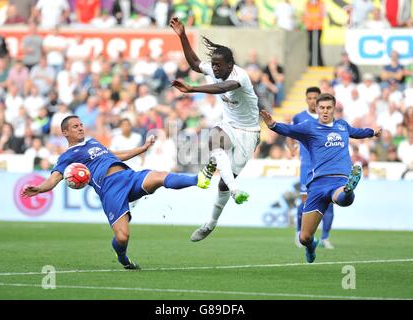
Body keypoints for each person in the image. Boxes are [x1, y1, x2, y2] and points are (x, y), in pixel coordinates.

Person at [21, 115, 217, 270]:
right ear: (65, 132)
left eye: (81, 124)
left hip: (129, 177)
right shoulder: (67, 157)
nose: (80, 128)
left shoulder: (93, 142)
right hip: (110, 189)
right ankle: (123, 258)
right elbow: (54, 178)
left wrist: (142, 149)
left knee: (159, 176)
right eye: (75, 126)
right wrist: (39, 189)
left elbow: (114, 155)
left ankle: (198, 180)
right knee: (122, 237)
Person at [260, 93, 381, 263]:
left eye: (329, 108)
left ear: (334, 109)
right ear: (317, 109)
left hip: (339, 180)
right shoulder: (309, 127)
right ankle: (312, 246)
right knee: (304, 238)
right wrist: (272, 125)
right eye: (322, 108)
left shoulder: (342, 126)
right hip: (317, 185)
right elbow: (289, 130)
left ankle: (349, 188)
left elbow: (357, 132)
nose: (325, 111)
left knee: (344, 199)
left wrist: (372, 132)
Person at [169, 17, 260, 241]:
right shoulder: (216, 69)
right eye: (214, 65)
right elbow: (194, 63)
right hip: (229, 126)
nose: (215, 68)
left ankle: (211, 223)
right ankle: (236, 189)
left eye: (219, 65)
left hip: (249, 133)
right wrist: (182, 35)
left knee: (222, 184)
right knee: (214, 136)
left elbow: (223, 87)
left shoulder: (240, 77)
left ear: (230, 65)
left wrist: (192, 88)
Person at [286, 87, 335, 249]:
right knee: (306, 202)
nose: (313, 101)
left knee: (329, 202)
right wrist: (292, 149)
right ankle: (300, 233)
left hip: (326, 167)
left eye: (316, 98)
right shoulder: (300, 117)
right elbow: (290, 134)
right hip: (307, 167)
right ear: (306, 99)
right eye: (310, 98)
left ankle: (325, 238)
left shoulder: (328, 118)